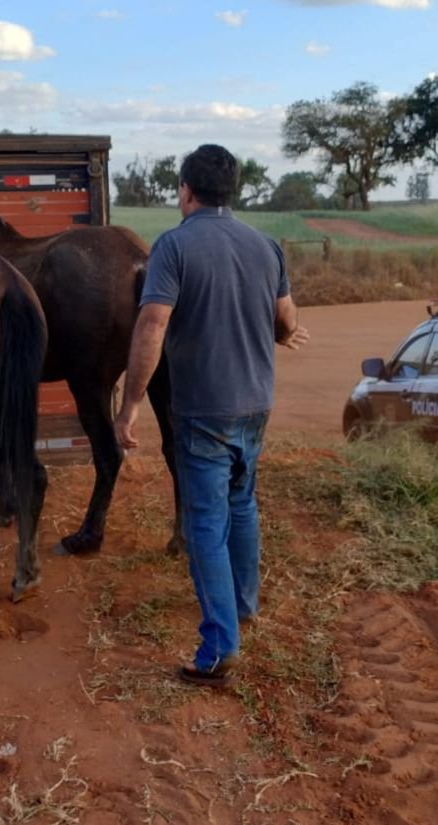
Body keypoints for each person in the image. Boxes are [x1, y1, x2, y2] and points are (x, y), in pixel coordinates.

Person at [114, 144, 310, 688]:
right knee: (242, 504)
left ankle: (219, 647)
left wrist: (130, 405)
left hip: (204, 409)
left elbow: (152, 326)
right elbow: (285, 318)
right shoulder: (265, 247)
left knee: (206, 524)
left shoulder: (174, 248)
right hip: (256, 404)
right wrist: (284, 335)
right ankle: (243, 606)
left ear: (186, 190)